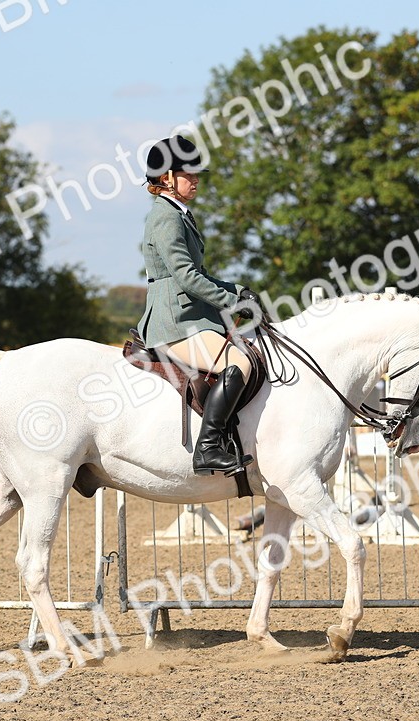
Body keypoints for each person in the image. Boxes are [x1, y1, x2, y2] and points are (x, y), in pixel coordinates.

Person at [136, 135, 255, 476]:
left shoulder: (179, 214)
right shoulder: (165, 217)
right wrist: (232, 302)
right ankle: (207, 449)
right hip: (175, 321)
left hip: (191, 316)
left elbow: (199, 274)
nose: (197, 178)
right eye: (188, 173)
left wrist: (239, 289)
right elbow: (187, 278)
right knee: (239, 363)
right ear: (167, 178)